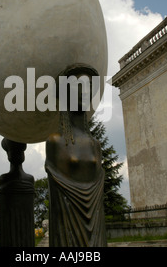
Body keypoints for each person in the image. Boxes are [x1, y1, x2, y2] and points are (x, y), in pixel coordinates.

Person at [45, 64, 107, 247]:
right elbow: (57, 203)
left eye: (88, 85)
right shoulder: (55, 142)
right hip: (68, 232)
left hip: (96, 230)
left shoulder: (95, 145)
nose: (84, 91)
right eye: (77, 85)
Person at [0, 138, 35, 247]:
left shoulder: (4, 179)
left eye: (20, 151)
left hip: (22, 227)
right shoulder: (5, 179)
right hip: (12, 229)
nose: (18, 155)